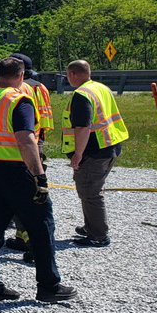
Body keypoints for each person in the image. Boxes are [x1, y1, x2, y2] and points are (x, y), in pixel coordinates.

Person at [0, 57, 75, 303]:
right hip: (17, 172)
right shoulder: (19, 100)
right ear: (21, 76)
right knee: (41, 226)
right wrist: (39, 176)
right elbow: (26, 139)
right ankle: (49, 285)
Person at [64, 59, 129, 247]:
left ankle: (98, 235)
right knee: (89, 189)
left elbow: (83, 127)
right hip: (111, 144)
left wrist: (77, 154)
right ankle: (91, 226)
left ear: (73, 74)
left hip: (95, 151)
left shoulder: (81, 95)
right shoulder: (100, 87)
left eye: (68, 75)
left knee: (90, 191)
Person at [7, 53, 56, 253]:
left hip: (23, 141)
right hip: (37, 138)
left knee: (25, 193)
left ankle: (28, 240)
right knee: (32, 193)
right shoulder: (40, 86)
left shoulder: (19, 89)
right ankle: (23, 238)